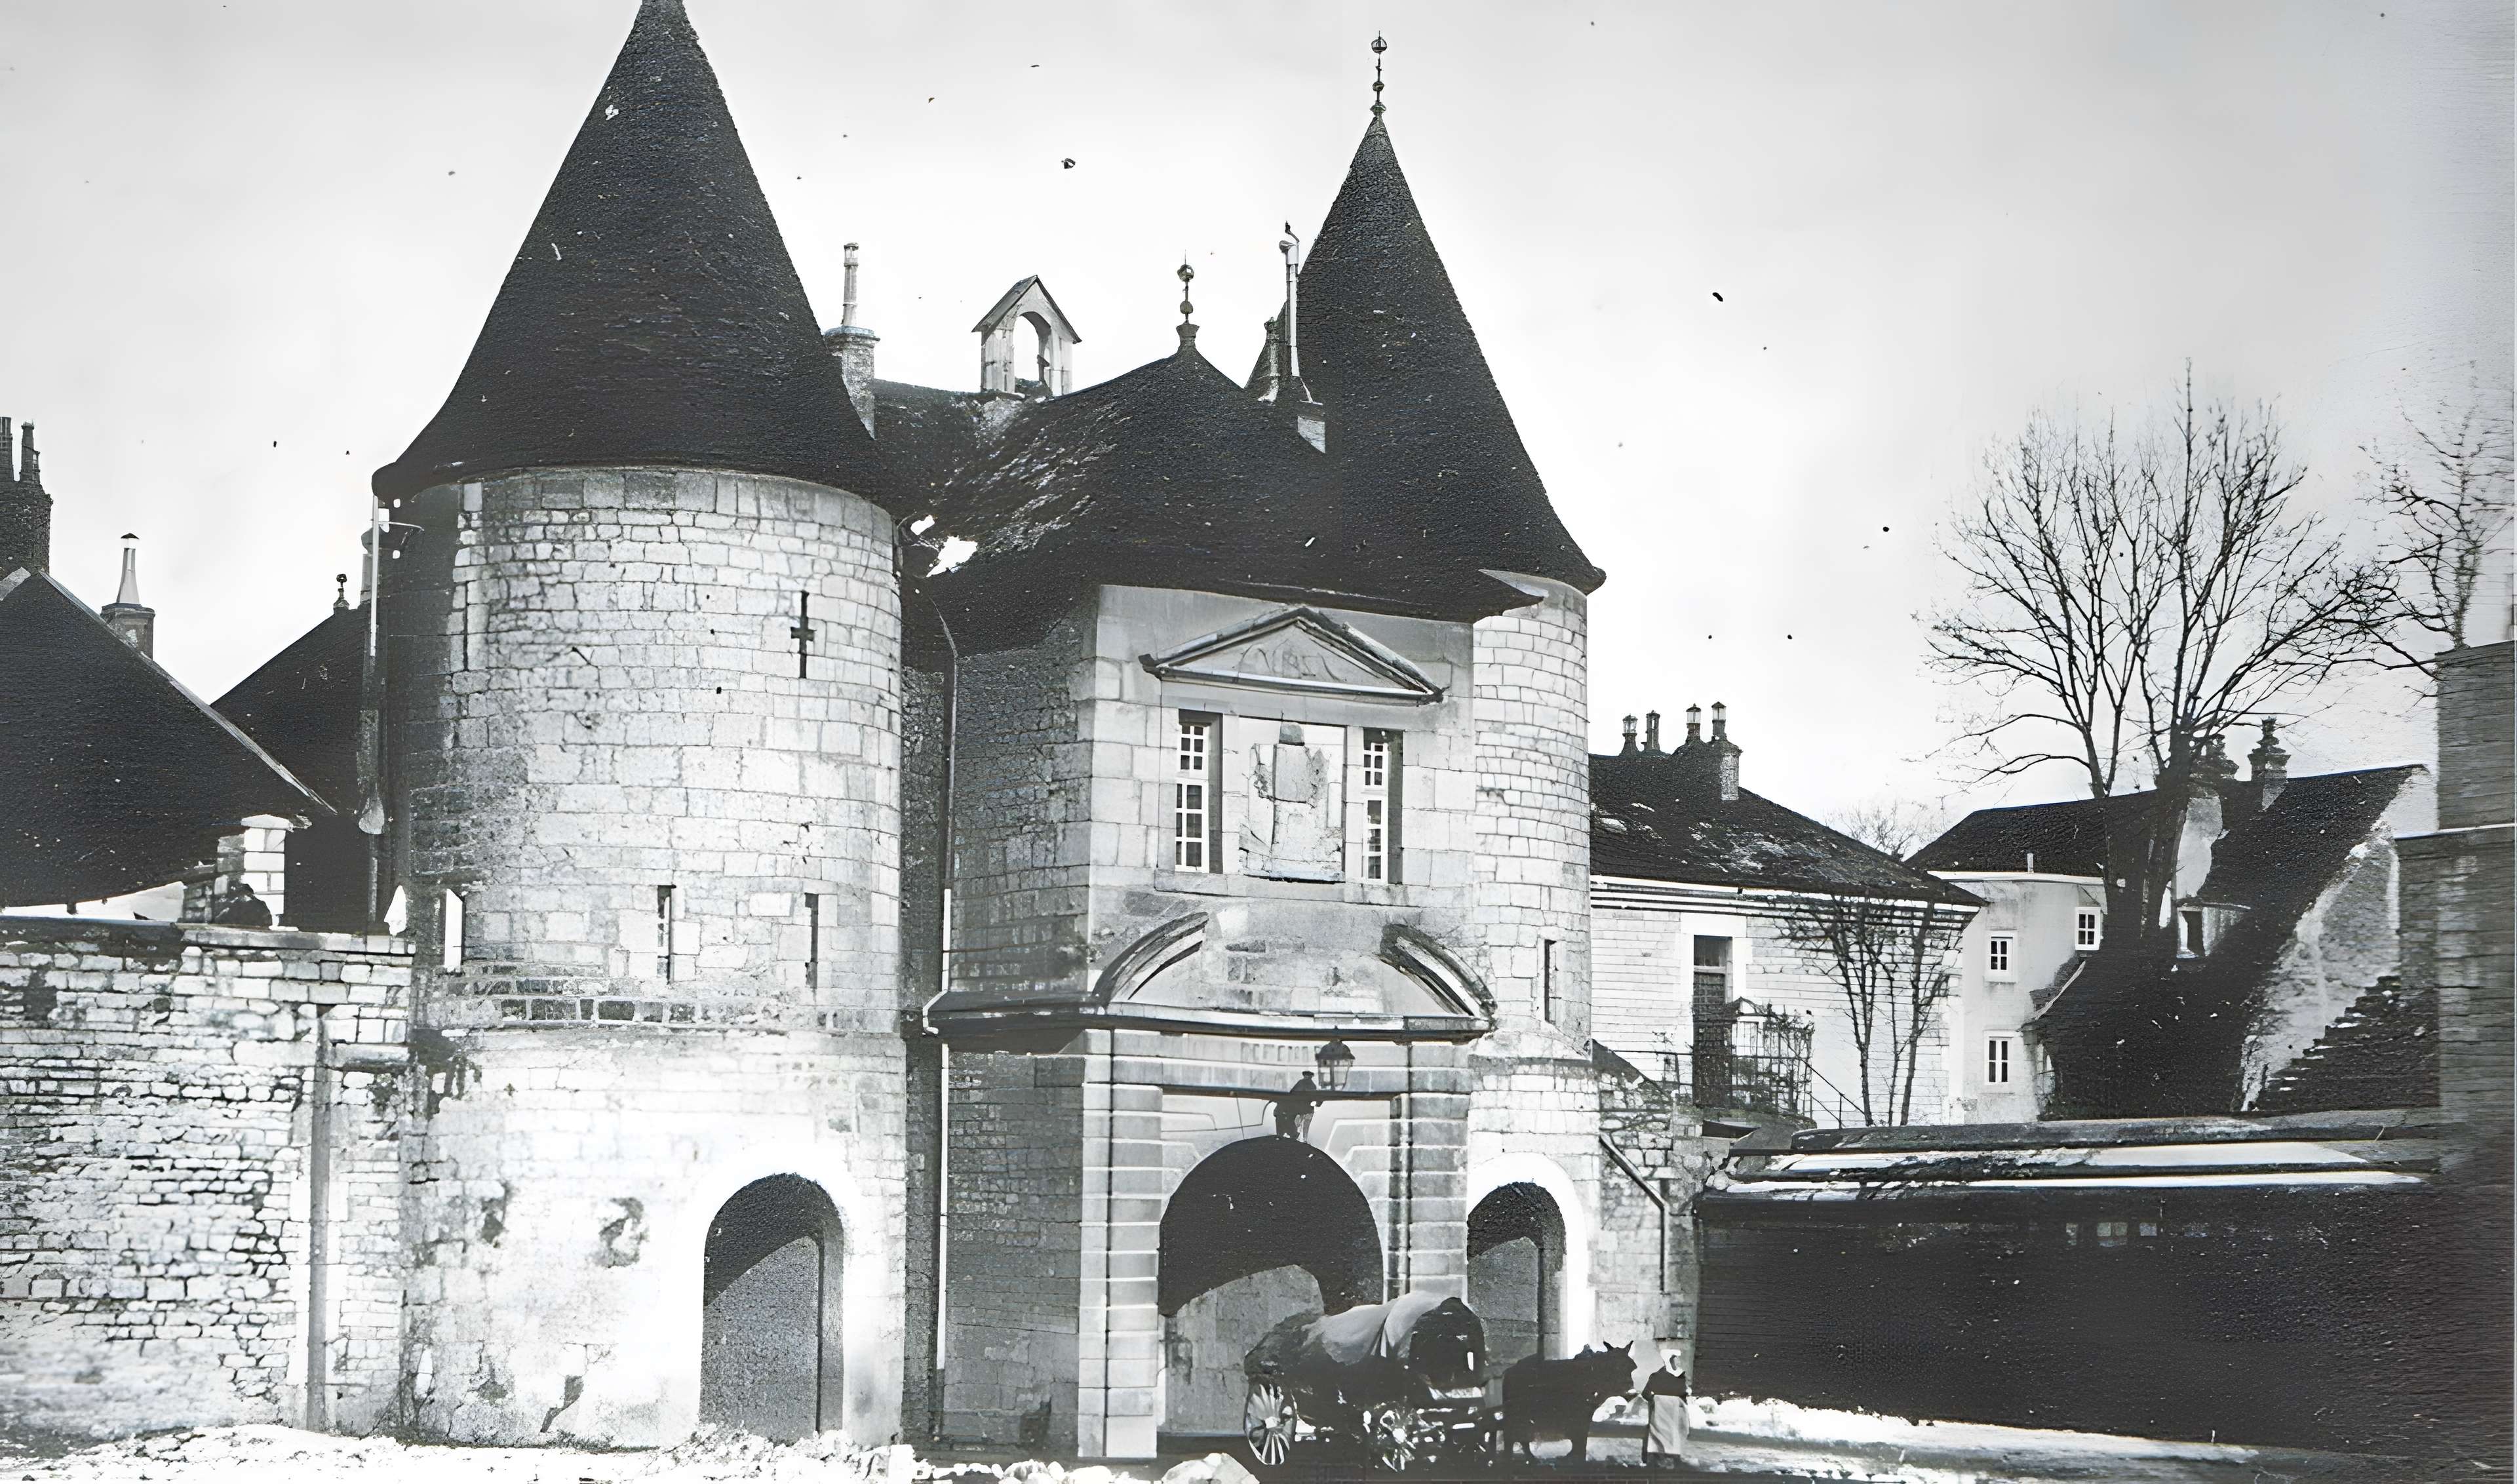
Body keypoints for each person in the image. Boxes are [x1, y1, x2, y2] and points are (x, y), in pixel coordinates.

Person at [1641, 1348, 1689, 1466]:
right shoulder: (1681, 1377)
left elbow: (1645, 1394)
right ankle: (1673, 1460)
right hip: (1674, 1410)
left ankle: (1652, 1460)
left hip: (1659, 1409)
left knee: (1656, 1435)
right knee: (1674, 1435)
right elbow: (1684, 1393)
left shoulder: (1655, 1376)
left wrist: (1653, 1401)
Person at [1273, 1072, 1322, 1141]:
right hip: (1308, 1110)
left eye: (1307, 1076)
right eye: (1306, 1076)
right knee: (1304, 1127)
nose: (1306, 1077)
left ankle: (1297, 1139)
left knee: (1296, 1125)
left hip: (1300, 1110)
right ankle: (1303, 1140)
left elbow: (1293, 1093)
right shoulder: (1312, 1086)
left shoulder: (1301, 1083)